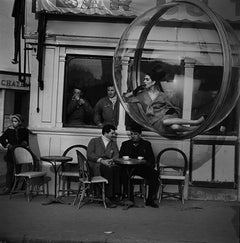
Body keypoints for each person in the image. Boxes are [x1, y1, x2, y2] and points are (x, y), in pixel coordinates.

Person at [124, 66, 205, 135]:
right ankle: (195, 122)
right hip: (155, 122)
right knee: (165, 122)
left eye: (147, 79)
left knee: (175, 126)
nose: (144, 81)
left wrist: (171, 111)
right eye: (144, 79)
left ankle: (195, 129)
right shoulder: (141, 95)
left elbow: (173, 107)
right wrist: (134, 92)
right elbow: (124, 98)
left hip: (166, 117)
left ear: (153, 82)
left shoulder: (162, 95)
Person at [119, 124, 159, 208]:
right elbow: (120, 158)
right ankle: (130, 199)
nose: (133, 136)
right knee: (124, 174)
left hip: (142, 168)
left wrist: (145, 163)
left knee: (155, 174)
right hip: (128, 168)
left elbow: (151, 159)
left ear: (140, 135)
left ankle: (150, 200)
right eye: (132, 134)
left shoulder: (146, 144)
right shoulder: (125, 144)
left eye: (135, 134)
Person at [87, 124, 121, 207]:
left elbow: (117, 155)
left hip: (108, 163)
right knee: (109, 170)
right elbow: (90, 154)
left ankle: (115, 195)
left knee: (118, 169)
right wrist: (102, 161)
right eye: (112, 133)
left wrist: (111, 160)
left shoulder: (113, 143)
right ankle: (107, 197)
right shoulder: (94, 141)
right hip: (96, 164)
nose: (114, 135)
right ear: (106, 133)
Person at [0, 114, 30, 195]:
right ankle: (8, 187)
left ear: (19, 122)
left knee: (17, 171)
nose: (14, 123)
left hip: (19, 154)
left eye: (16, 121)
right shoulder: (9, 130)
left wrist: (24, 143)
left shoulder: (23, 131)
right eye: (13, 121)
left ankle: (15, 187)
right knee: (9, 171)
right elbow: (1, 139)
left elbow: (26, 140)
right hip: (10, 154)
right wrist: (8, 145)